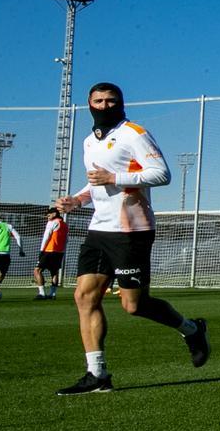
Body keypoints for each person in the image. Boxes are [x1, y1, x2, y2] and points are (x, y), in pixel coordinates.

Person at [54, 82, 209, 395]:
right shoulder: (89, 142)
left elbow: (161, 174)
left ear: (121, 103)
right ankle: (97, 375)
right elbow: (95, 185)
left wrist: (115, 177)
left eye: (111, 101)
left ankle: (192, 329)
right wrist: (77, 201)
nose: (105, 106)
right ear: (89, 104)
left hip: (132, 231)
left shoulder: (134, 133)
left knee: (133, 305)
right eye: (98, 101)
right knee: (84, 296)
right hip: (99, 229)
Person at [33, 207, 69, 300]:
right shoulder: (65, 225)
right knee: (54, 272)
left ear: (54, 214)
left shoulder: (52, 222)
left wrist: (41, 250)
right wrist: (62, 251)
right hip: (59, 251)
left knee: (37, 270)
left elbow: (46, 236)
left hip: (49, 250)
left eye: (48, 215)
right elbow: (66, 240)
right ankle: (52, 294)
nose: (47, 217)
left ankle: (42, 293)